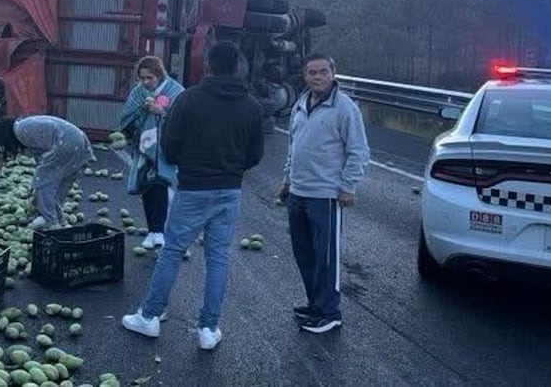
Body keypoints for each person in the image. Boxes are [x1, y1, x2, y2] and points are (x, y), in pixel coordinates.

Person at [122, 41, 264, 351]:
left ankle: (149, 317)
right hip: (229, 190)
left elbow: (169, 147)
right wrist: (231, 168)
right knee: (217, 259)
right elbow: (255, 155)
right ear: (237, 67)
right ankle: (209, 329)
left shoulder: (188, 99)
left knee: (172, 252)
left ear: (209, 66)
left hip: (193, 188)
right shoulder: (252, 106)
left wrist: (188, 164)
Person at [277, 53, 369, 334]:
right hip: (298, 192)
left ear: (333, 72)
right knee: (303, 252)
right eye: (311, 72)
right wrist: (286, 180)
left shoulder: (345, 108)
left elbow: (358, 150)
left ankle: (330, 312)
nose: (317, 77)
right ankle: (315, 303)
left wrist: (348, 186)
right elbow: (294, 145)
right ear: (304, 75)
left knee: (325, 256)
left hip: (326, 196)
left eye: (322, 72)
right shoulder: (301, 104)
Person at [118, 56, 185, 249]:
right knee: (147, 186)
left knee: (160, 183)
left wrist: (161, 112)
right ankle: (152, 231)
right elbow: (126, 117)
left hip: (165, 146)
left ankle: (159, 231)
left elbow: (183, 116)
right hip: (144, 146)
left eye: (150, 78)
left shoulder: (175, 91)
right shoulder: (138, 93)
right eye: (142, 78)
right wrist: (142, 112)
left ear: (159, 75)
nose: (146, 83)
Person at [0, 115, 96, 230]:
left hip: (66, 143)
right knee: (60, 184)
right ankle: (61, 222)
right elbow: (42, 161)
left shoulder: (20, 133)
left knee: (45, 183)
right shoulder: (25, 125)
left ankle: (51, 222)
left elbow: (43, 171)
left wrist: (37, 189)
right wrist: (36, 195)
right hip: (78, 140)